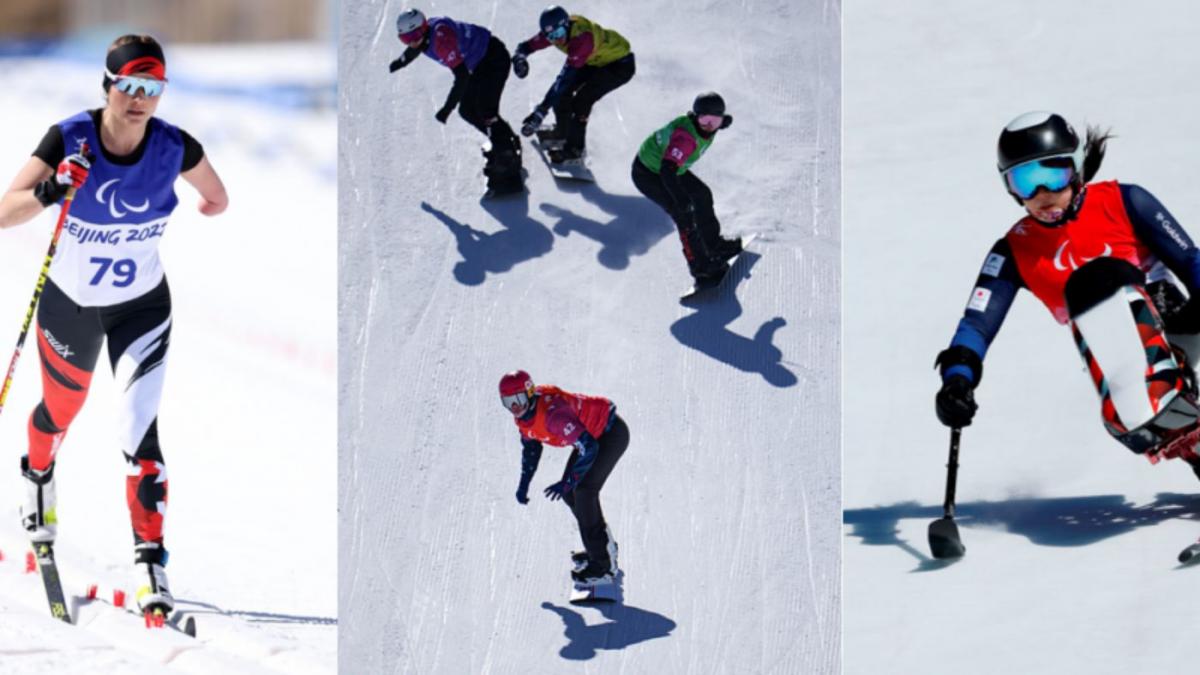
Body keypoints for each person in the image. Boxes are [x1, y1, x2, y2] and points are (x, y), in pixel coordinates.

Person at [0, 34, 228, 616]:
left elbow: (217, 198)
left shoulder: (175, 146)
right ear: (108, 85)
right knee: (61, 413)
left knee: (137, 428)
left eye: (153, 88)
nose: (140, 99)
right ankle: (39, 477)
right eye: (130, 85)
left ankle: (151, 562)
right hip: (70, 306)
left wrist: (202, 207)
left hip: (142, 308)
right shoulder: (70, 137)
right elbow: (6, 209)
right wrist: (52, 190)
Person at [935, 111, 1200, 481]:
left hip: (1179, 324)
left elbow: (1190, 259)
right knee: (1128, 401)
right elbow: (976, 325)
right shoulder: (1014, 250)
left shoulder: (1124, 201)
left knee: (1096, 280)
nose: (1043, 195)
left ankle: (1163, 397)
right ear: (1009, 188)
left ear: (1075, 170)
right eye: (1026, 181)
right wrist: (957, 380)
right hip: (1113, 357)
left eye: (1054, 175)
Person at [499, 370, 627, 587]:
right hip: (592, 438)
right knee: (572, 493)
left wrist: (568, 482)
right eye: (508, 402)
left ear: (529, 394)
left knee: (584, 491)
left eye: (518, 399)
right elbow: (531, 450)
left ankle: (604, 568)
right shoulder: (524, 420)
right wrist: (524, 485)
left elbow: (590, 447)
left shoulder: (554, 416)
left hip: (609, 435)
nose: (515, 408)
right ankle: (601, 547)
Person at [389, 8, 524, 196]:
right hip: (477, 63)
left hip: (493, 59)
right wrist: (400, 62)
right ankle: (506, 142)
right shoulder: (424, 36)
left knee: (487, 111)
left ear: (424, 28)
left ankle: (509, 168)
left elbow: (461, 78)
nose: (412, 41)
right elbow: (414, 49)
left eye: (415, 35)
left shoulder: (442, 42)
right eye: (405, 38)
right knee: (468, 110)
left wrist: (446, 109)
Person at [632, 92, 740, 286]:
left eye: (715, 121)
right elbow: (667, 170)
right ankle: (701, 268)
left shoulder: (707, 126)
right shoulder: (686, 138)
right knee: (684, 214)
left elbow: (672, 168)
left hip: (670, 169)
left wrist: (722, 122)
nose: (709, 125)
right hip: (649, 174)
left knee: (702, 195)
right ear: (695, 116)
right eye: (705, 119)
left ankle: (713, 246)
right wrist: (680, 199)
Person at [512, 5, 635, 163]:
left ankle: (574, 150)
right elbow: (526, 46)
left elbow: (564, 79)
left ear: (566, 25)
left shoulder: (582, 40)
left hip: (619, 65)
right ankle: (562, 132)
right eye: (551, 37)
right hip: (595, 59)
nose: (556, 39)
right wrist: (519, 58)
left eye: (558, 34)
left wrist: (541, 111)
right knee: (563, 94)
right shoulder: (555, 30)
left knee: (582, 101)